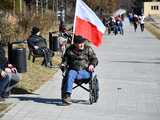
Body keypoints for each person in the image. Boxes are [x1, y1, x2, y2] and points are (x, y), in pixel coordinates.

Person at [60, 35, 98, 105]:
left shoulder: (88, 49)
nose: (81, 45)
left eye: (82, 43)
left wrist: (92, 64)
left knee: (71, 75)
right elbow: (65, 60)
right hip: (73, 70)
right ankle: (67, 96)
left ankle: (68, 93)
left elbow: (94, 59)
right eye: (79, 43)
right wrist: (63, 65)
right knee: (71, 73)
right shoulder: (69, 49)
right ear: (75, 44)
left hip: (85, 71)